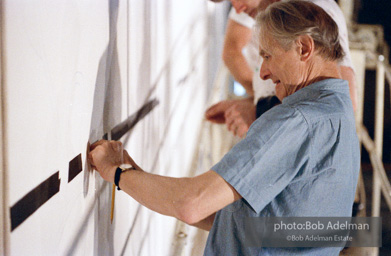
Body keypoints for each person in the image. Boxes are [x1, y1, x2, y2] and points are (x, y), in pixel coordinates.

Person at [89, 1, 360, 254]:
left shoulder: (296, 120)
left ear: (303, 48)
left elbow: (190, 204)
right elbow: (237, 217)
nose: (263, 73)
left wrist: (116, 172)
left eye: (267, 56)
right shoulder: (339, 114)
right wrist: (136, 176)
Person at [206, 0, 358, 138]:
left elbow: (346, 102)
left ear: (304, 47)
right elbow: (231, 51)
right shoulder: (269, 11)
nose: (237, 9)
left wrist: (260, 112)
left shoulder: (314, 10)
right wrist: (256, 102)